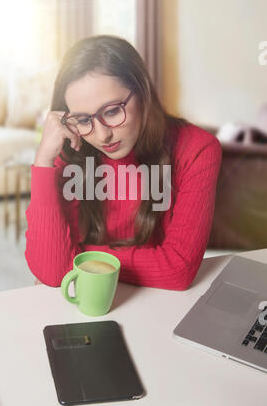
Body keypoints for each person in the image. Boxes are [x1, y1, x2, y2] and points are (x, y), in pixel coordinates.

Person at [25, 35, 222, 290]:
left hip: (158, 303)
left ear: (142, 92)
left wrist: (78, 257)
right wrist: (42, 163)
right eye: (84, 119)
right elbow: (53, 273)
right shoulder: (72, 147)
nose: (102, 134)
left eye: (112, 111)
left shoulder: (198, 150)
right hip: (85, 301)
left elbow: (177, 269)